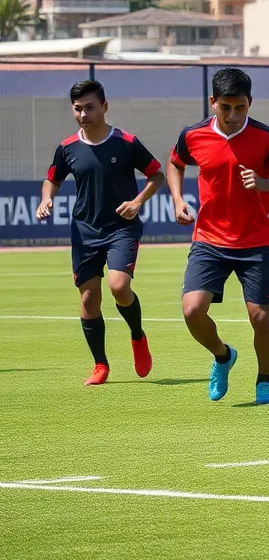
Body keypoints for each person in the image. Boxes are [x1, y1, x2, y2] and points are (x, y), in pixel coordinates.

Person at [167, 67, 269, 406]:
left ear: (250, 103)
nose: (232, 115)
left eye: (240, 108)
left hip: (255, 242)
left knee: (260, 316)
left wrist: (264, 183)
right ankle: (223, 355)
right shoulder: (193, 135)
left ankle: (265, 382)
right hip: (209, 239)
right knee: (192, 311)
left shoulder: (266, 137)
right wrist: (178, 199)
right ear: (213, 102)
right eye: (225, 107)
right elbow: (174, 163)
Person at [36, 80, 164, 386]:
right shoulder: (67, 148)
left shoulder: (127, 142)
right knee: (89, 299)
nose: (83, 113)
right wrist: (46, 198)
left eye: (89, 107)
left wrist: (137, 202)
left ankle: (137, 336)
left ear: (104, 107)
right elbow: (51, 179)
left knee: (119, 287)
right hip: (85, 231)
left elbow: (157, 175)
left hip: (122, 227)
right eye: (78, 108)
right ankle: (100, 364)